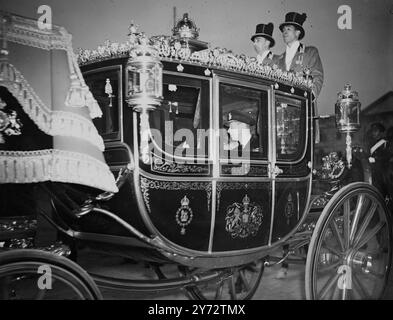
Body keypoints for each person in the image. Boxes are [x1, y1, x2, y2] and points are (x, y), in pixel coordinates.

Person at [276, 12, 324, 99]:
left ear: (297, 33)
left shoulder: (310, 52)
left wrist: (311, 97)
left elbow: (317, 77)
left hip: (303, 103)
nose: (284, 32)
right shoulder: (279, 59)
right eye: (283, 30)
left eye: (288, 29)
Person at [367, 123, 390, 199]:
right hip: (374, 171)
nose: (373, 133)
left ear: (380, 132)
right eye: (372, 131)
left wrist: (375, 159)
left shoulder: (385, 143)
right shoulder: (372, 144)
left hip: (383, 171)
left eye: (375, 131)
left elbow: (387, 156)